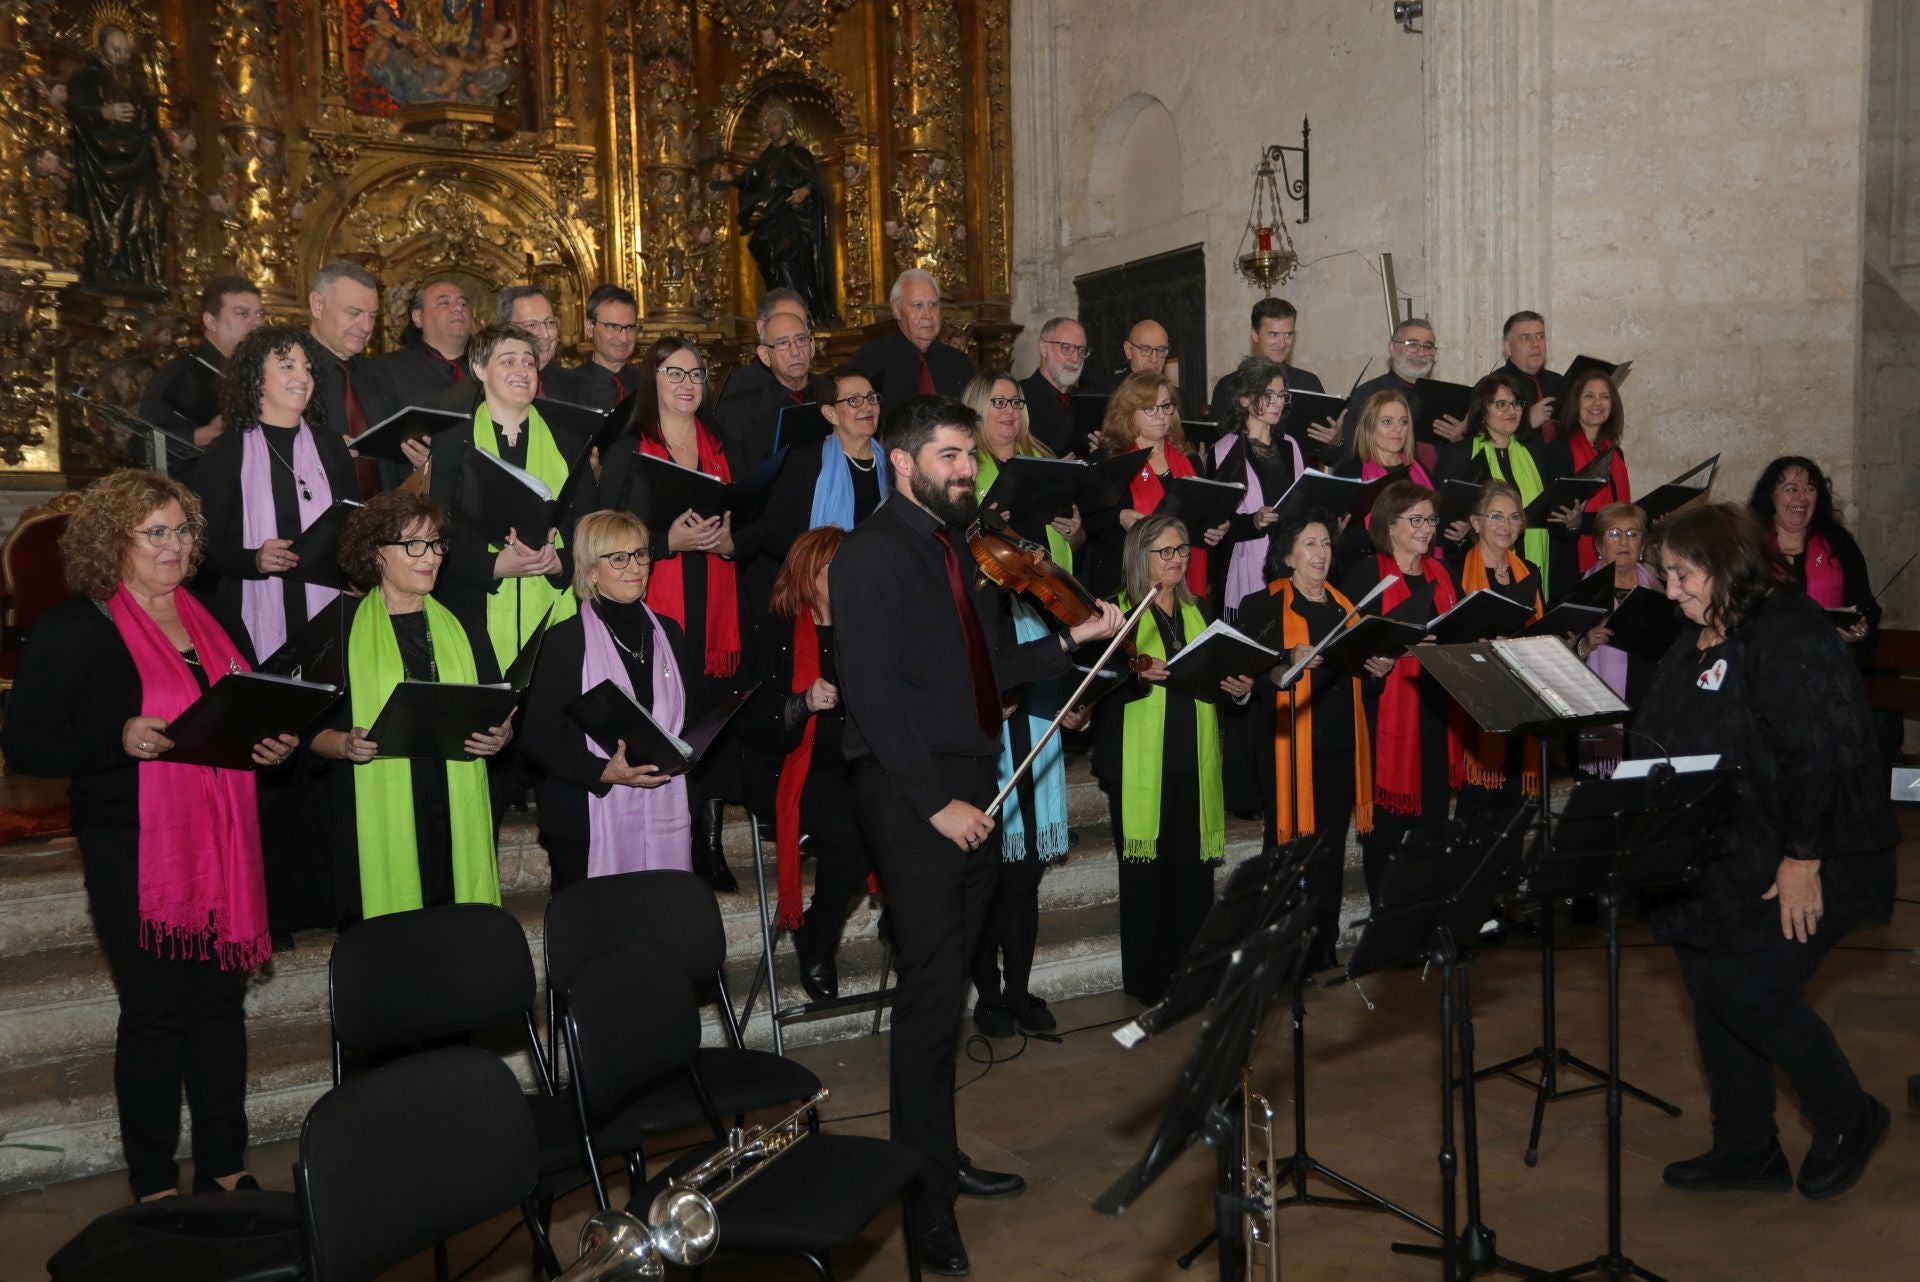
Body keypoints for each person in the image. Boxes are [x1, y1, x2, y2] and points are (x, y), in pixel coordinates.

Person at [829, 394, 1124, 1273]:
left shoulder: (957, 551)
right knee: (928, 1004)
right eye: (950, 457)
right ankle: (924, 1210)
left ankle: (940, 1158)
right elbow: (875, 699)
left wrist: (1077, 640)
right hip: (912, 794)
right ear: (904, 462)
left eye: (969, 457)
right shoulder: (870, 556)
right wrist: (935, 805)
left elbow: (983, 666)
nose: (966, 471)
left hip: (972, 777)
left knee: (951, 988)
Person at [0, 470, 299, 1200]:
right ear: (114, 542)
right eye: (156, 532)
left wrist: (270, 741)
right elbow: (27, 745)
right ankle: (155, 1182)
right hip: (133, 844)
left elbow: (242, 706)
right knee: (158, 1012)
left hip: (222, 837)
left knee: (220, 1007)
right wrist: (117, 737)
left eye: (184, 531)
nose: (175, 546)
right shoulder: (78, 627)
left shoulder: (212, 617)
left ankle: (225, 1166)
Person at [1632, 504, 1895, 1200]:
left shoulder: (1787, 629)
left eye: (1684, 575)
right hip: (1716, 859)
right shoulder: (1692, 638)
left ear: (1728, 567)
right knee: (1708, 986)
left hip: (1806, 850)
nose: (1672, 590)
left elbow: (1824, 751)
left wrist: (1803, 856)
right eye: (1667, 576)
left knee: (1747, 988)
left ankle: (1848, 1115)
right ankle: (1746, 1145)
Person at [192, 327, 360, 935]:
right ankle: (276, 910)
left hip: (326, 621)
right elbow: (199, 551)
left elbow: (349, 528)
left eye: (307, 368)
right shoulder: (227, 453)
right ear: (253, 379)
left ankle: (336, 904)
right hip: (253, 623)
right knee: (271, 764)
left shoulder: (330, 448)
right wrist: (253, 559)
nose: (301, 375)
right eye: (284, 364)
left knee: (328, 758)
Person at [597, 339, 755, 892]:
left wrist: (732, 542)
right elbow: (606, 532)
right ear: (652, 378)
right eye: (674, 372)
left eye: (696, 373)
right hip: (656, 603)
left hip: (716, 602)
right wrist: (668, 540)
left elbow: (751, 520)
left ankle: (708, 842)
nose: (688, 383)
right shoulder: (628, 447)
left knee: (710, 722)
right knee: (666, 720)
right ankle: (668, 837)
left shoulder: (723, 443)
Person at [311, 492, 512, 920]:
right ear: (375, 553)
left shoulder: (464, 625)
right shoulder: (339, 628)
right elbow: (309, 733)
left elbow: (496, 707)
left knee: (457, 933)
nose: (431, 557)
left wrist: (501, 734)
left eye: (436, 544)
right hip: (375, 812)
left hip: (454, 806)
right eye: (414, 545)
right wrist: (344, 744)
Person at [963, 370, 1085, 1038]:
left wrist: (1062, 530)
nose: (1009, 410)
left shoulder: (1041, 470)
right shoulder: (963, 476)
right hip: (987, 647)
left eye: (1016, 401)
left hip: (1036, 641)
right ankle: (987, 991)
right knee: (990, 860)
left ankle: (1022, 987)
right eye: (998, 401)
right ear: (976, 414)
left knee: (1027, 866)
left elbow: (1057, 574)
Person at [1093, 515, 1253, 1004]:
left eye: (1181, 549)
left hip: (1193, 758)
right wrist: (1136, 678)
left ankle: (1193, 975)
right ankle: (1148, 982)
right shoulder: (1113, 613)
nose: (1177, 559)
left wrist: (1240, 689)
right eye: (1165, 551)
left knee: (1193, 877)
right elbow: (1094, 688)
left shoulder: (1199, 611)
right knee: (1147, 879)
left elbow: (1219, 678)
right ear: (1140, 557)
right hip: (1139, 763)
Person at [521, 510, 693, 891]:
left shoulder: (670, 633)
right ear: (591, 571)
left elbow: (686, 721)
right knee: (593, 935)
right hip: (583, 814)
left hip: (662, 804)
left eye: (641, 554)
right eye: (619, 557)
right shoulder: (565, 642)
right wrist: (603, 772)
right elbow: (538, 737)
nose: (635, 567)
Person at [745, 526, 873, 1002]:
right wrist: (802, 702)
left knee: (907, 808)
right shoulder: (773, 628)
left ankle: (908, 932)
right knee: (856, 823)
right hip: (793, 764)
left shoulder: (865, 626)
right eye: (837, 568)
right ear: (808, 572)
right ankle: (818, 936)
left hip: (858, 758)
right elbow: (752, 718)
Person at [425, 322, 583, 671]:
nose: (522, 370)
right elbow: (435, 530)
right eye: (508, 361)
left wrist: (561, 562)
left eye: (529, 362)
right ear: (480, 369)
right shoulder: (453, 440)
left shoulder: (568, 441)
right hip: (474, 608)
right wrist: (493, 565)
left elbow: (591, 524)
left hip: (557, 610)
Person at [1340, 481, 1463, 899]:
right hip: (1386, 716)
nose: (1427, 528)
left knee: (1432, 824)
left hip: (1436, 712)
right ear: (1389, 526)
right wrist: (1371, 660)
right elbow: (1348, 648)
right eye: (1416, 520)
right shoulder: (1365, 574)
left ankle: (1425, 916)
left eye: (1431, 519)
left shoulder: (1442, 574)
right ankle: (1387, 918)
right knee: (1389, 830)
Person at [1260, 511, 1371, 972]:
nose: (1320, 552)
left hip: (1340, 740)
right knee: (1287, 853)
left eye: (1325, 543)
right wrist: (1287, 660)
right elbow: (1253, 673)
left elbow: (1358, 670)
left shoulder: (1348, 607)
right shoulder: (1264, 605)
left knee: (1329, 849)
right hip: (1291, 744)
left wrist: (1374, 664)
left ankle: (1321, 943)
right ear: (1287, 556)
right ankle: (1280, 948)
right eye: (1309, 543)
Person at [1084, 371, 1228, 599]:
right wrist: (1118, 517)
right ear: (1129, 413)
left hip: (1184, 581)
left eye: (1166, 406)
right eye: (1150, 408)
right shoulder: (1108, 459)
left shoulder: (1187, 457)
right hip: (1125, 584)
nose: (1161, 415)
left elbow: (1201, 515)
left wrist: (1214, 529)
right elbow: (1084, 521)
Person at [1448, 481, 1544, 816]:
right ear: (1476, 522)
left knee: (1514, 807)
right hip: (1475, 700)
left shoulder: (1529, 572)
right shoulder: (1454, 569)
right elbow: (1445, 637)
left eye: (1514, 517)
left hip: (1521, 698)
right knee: (1476, 808)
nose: (1506, 525)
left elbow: (1538, 630)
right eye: (1497, 516)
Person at [1436, 373, 1577, 600]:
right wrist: (1460, 533)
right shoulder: (1458, 454)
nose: (1511, 411)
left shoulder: (1536, 454)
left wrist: (1570, 523)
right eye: (1501, 404)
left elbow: (1548, 518)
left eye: (1516, 403)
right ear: (1482, 412)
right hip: (1477, 568)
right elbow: (1442, 520)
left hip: (1531, 563)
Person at [720, 100, 837, 323]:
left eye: (775, 123)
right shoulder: (766, 157)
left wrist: (806, 189)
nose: (770, 128)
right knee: (772, 267)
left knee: (787, 263)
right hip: (769, 220)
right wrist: (732, 179)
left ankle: (800, 316)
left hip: (791, 221)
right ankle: (780, 316)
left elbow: (816, 183)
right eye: (768, 125)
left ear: (787, 124)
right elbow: (751, 178)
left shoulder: (799, 154)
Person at [1747, 456, 1878, 649]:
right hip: (1761, 662)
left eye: (1810, 489)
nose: (1802, 497)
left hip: (1827, 663)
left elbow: (1867, 608)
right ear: (1771, 496)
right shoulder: (1749, 546)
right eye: (1791, 489)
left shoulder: (1839, 545)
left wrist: (1860, 632)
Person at [135, 275, 263, 472]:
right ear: (211, 321)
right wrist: (202, 435)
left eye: (259, 314)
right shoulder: (181, 372)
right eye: (242, 314)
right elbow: (141, 447)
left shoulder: (262, 373)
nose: (256, 323)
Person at [1572, 502, 1660, 777]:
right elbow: (1558, 659)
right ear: (1599, 544)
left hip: (1649, 706)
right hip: (1597, 708)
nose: (1624, 541)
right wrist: (1585, 646)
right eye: (1613, 534)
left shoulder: (1662, 590)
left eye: (1633, 534)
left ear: (1643, 544)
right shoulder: (1580, 593)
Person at [763, 366, 889, 558]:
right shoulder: (805, 464)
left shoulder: (894, 462)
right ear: (831, 413)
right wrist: (818, 545)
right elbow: (773, 532)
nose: (867, 406)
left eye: (872, 397)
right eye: (854, 400)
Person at [1211, 356, 1302, 618]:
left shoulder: (1289, 446)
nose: (1278, 403)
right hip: (1247, 560)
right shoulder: (1224, 451)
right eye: (1268, 395)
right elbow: (1220, 525)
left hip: (1288, 556)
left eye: (1282, 395)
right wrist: (1254, 520)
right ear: (1244, 399)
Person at [1208, 298, 1340, 456]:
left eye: (1288, 334)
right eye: (1273, 334)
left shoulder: (1308, 383)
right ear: (1255, 334)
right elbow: (1215, 446)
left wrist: (1335, 441)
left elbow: (1328, 456)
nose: (1282, 343)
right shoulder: (1228, 385)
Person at [1541, 367, 1632, 585]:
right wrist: (1576, 524)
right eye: (1589, 396)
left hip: (1617, 557)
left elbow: (1620, 510)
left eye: (1604, 397)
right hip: (1572, 564)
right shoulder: (1558, 452)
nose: (1597, 404)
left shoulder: (1615, 453)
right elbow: (1553, 518)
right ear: (1576, 403)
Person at [305, 260, 389, 497]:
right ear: (318, 305)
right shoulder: (284, 373)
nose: (366, 327)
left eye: (372, 316)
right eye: (354, 313)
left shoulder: (376, 372)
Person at [712, 305, 831, 467]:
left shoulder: (835, 396)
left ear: (812, 347)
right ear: (764, 355)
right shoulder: (738, 412)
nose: (795, 351)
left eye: (801, 340)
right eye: (782, 343)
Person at [1331, 389, 1436, 569]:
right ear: (1370, 427)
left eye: (1403, 422)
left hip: (1420, 566)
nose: (1398, 429)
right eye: (1387, 422)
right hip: (1368, 568)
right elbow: (1343, 538)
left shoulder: (1420, 470)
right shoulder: (1351, 472)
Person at [1348, 317, 1465, 470]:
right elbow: (1349, 453)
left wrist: (1460, 439)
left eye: (1428, 346)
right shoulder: (1368, 394)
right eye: (1412, 345)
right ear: (1392, 348)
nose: (1421, 352)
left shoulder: (1447, 395)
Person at [851, 269, 975, 411]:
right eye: (918, 306)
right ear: (897, 310)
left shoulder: (959, 363)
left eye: (933, 305)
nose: (928, 315)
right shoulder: (870, 359)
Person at [435, 284, 564, 412]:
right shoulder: (459, 400)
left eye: (550, 322)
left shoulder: (580, 389)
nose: (545, 334)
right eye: (531, 325)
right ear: (506, 329)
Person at [375, 278, 472, 406]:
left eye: (463, 304)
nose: (459, 308)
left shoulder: (490, 368)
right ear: (418, 317)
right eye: (444, 303)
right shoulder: (387, 369)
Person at [553, 284, 643, 410]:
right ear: (590, 327)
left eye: (630, 328)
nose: (624, 338)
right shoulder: (566, 390)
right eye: (613, 327)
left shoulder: (649, 385)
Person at [1485, 311, 1563, 444]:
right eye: (1525, 338)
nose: (1535, 344)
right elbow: (1484, 439)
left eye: (1540, 336)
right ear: (1508, 348)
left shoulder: (1558, 381)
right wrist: (1526, 422)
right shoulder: (1493, 386)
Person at [1017, 316, 1087, 458]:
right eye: (1066, 348)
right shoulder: (1017, 398)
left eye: (1081, 350)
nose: (1075, 358)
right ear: (1044, 349)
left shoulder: (1087, 401)